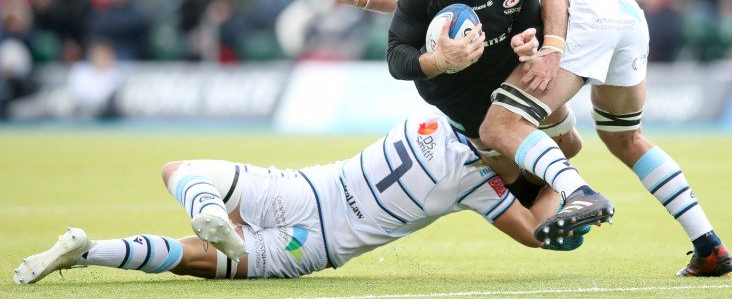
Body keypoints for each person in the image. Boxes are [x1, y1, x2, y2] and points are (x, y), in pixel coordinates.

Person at [308, 0, 732, 277]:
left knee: (500, 123)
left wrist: (552, 47)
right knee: (626, 138)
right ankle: (708, 245)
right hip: (622, 8)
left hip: (585, 13)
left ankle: (578, 193)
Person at [14, 108, 582, 285]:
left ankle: (92, 248)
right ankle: (92, 250)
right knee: (192, 259)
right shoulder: (480, 185)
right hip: (314, 246)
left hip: (302, 190)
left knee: (178, 170)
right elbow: (538, 235)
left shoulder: (428, 116)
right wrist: (560, 182)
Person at [383, 0, 615, 249]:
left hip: (506, 75)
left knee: (571, 144)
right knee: (510, 178)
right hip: (457, 96)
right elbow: (395, 57)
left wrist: (531, 43)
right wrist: (438, 60)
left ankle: (563, 197)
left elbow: (527, 20)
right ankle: (560, 202)